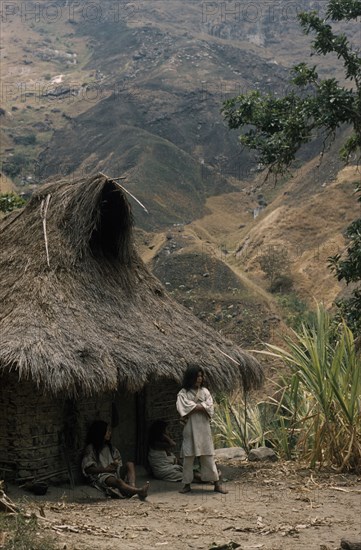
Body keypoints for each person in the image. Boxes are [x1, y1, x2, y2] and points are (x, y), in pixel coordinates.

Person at [176, 366, 227, 494]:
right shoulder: (183, 393)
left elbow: (210, 407)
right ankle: (186, 484)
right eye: (197, 376)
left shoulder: (205, 392)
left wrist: (194, 407)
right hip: (190, 428)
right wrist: (201, 406)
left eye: (201, 376)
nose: (200, 379)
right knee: (188, 457)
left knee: (208, 456)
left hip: (204, 429)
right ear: (191, 377)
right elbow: (183, 408)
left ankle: (216, 483)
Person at [82, 420, 149, 500]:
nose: (110, 433)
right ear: (100, 432)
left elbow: (118, 461)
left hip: (113, 472)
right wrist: (105, 469)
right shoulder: (91, 448)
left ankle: (132, 488)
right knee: (118, 481)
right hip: (101, 476)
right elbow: (88, 469)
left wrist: (115, 465)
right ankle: (138, 491)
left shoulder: (110, 448)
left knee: (129, 464)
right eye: (107, 431)